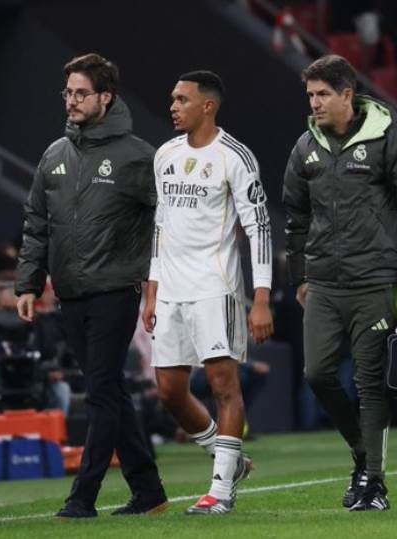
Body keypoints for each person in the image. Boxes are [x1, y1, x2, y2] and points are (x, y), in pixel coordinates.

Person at [283, 55, 397, 511]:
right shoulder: (304, 147)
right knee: (317, 374)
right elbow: (296, 216)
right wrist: (300, 275)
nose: (314, 103)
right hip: (324, 284)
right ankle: (361, 452)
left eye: (323, 94)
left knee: (371, 383)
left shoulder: (387, 141)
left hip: (374, 281)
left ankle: (374, 484)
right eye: (310, 95)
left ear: (347, 95)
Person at [15, 52, 167, 518]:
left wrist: (156, 281)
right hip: (69, 292)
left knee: (100, 390)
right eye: (67, 93)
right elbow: (36, 223)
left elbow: (167, 223)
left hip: (116, 289)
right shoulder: (54, 155)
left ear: (106, 97)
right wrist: (28, 283)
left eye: (81, 93)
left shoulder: (139, 156)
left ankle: (83, 496)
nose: (72, 101)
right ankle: (149, 491)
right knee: (110, 390)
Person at [142, 71, 273, 515]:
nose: (173, 107)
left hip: (215, 287)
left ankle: (220, 489)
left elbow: (259, 229)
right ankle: (231, 462)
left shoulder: (235, 156)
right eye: (172, 99)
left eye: (182, 99)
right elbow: (160, 226)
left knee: (223, 386)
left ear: (208, 106)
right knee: (169, 392)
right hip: (170, 290)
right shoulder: (165, 155)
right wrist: (152, 289)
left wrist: (260, 297)